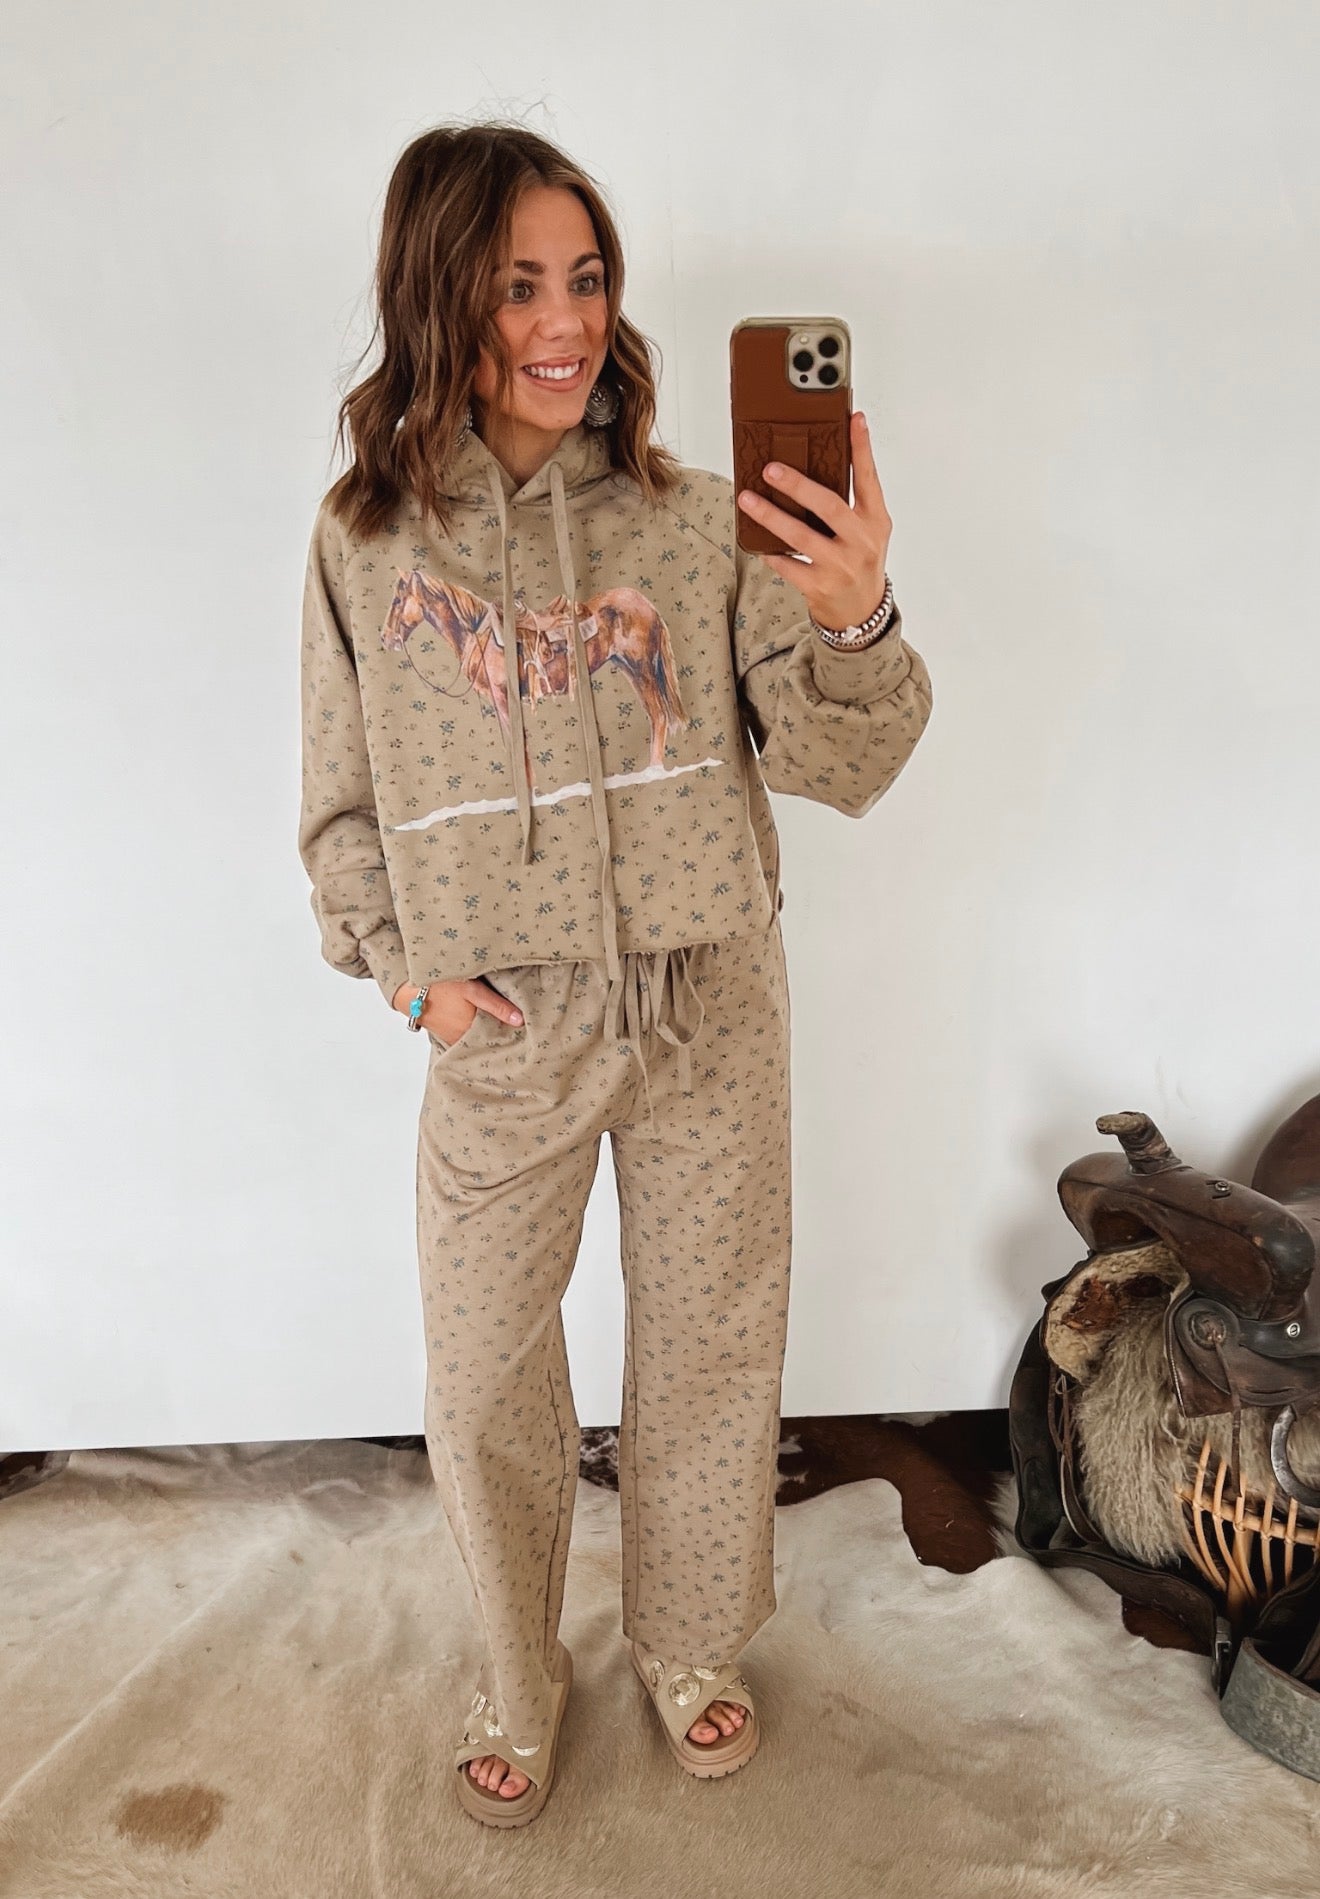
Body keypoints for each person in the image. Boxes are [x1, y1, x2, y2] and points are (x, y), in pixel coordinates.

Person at [297, 120, 933, 1827]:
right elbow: (340, 807)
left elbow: (841, 764)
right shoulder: (367, 542)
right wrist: (411, 979)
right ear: (441, 301)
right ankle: (517, 1668)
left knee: (711, 1343)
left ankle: (692, 1641)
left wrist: (856, 615)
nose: (566, 320)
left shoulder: (696, 520)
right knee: (481, 1376)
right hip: (507, 1029)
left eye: (585, 279)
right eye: (519, 286)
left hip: (708, 997)